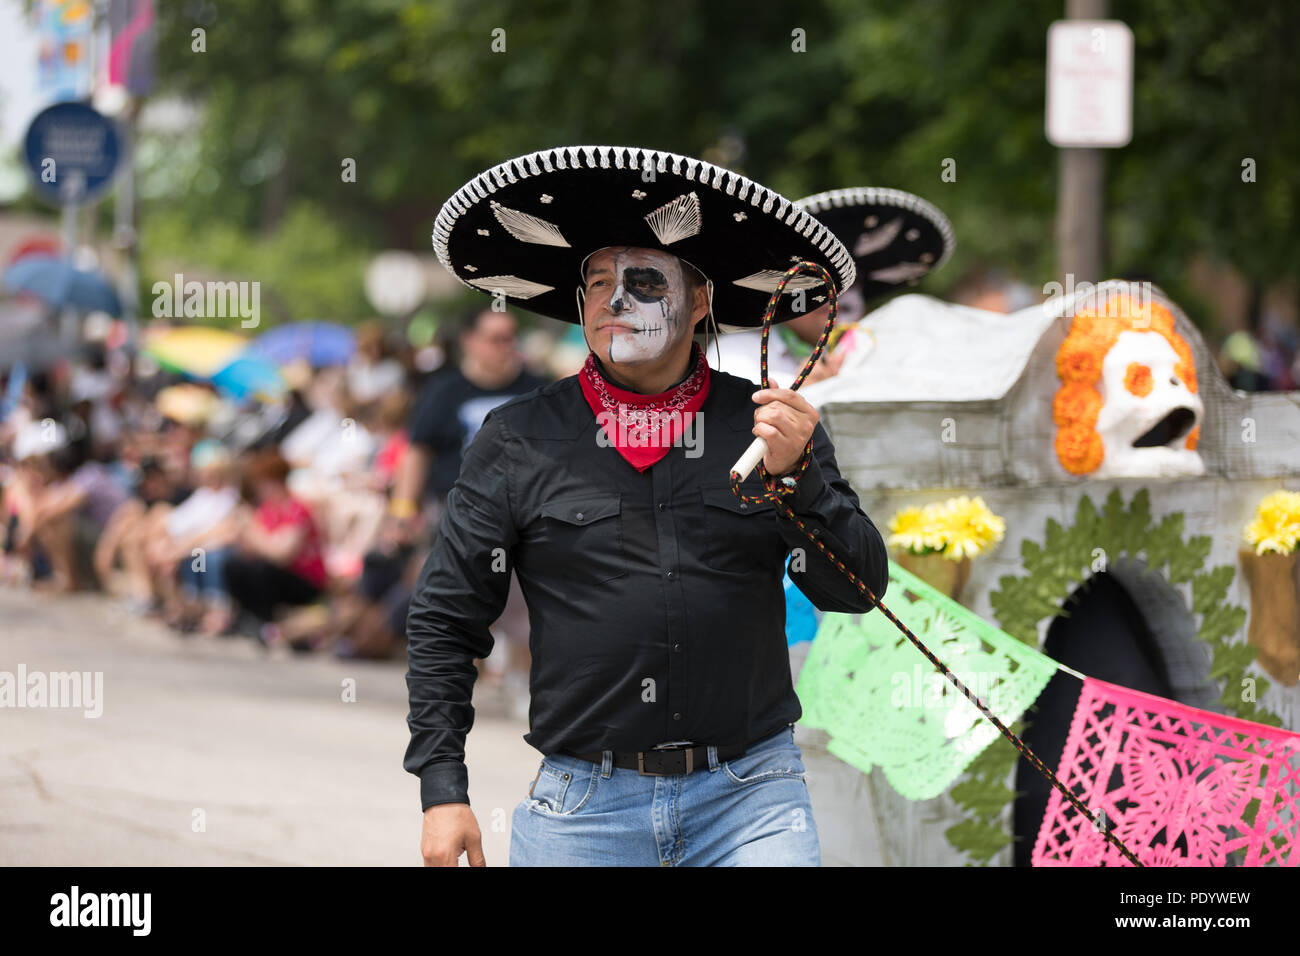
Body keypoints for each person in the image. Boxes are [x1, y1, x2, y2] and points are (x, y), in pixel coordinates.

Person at [405, 145, 890, 867]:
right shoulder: (518, 439)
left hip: (751, 796)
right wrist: (443, 790)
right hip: (582, 806)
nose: (614, 301)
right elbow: (446, 618)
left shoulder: (769, 426)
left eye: (641, 281)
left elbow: (857, 591)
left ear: (699, 301)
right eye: (597, 283)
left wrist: (799, 484)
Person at [713, 186, 955, 388]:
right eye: (819, 279)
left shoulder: (890, 353)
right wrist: (804, 391)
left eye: (851, 283)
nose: (837, 298)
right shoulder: (736, 354)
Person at [219, 447, 328, 644]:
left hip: (306, 580)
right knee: (233, 564)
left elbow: (281, 553)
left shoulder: (298, 508)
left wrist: (252, 530)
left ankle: (266, 622)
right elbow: (250, 548)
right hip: (280, 572)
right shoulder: (268, 509)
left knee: (263, 570)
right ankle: (249, 618)